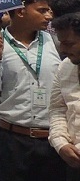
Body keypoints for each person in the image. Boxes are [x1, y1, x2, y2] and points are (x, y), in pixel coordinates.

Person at [0, 0, 64, 181]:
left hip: (53, 138)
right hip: (13, 140)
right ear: (20, 11)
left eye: (48, 10)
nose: (49, 15)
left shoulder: (56, 42)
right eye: (42, 10)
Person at [49, 12, 80, 177]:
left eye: (69, 43)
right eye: (61, 43)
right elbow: (57, 109)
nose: (62, 49)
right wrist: (60, 143)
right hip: (73, 162)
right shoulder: (65, 67)